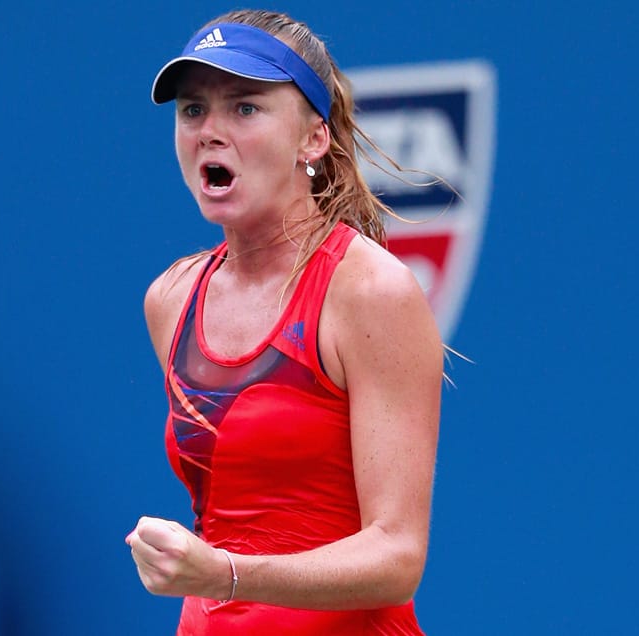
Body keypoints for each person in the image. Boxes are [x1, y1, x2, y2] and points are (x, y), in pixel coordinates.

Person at [126, 9, 444, 635]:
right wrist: (202, 567)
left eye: (245, 108)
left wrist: (224, 572)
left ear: (312, 139)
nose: (210, 131)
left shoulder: (371, 292)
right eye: (193, 110)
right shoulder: (171, 297)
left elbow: (398, 555)